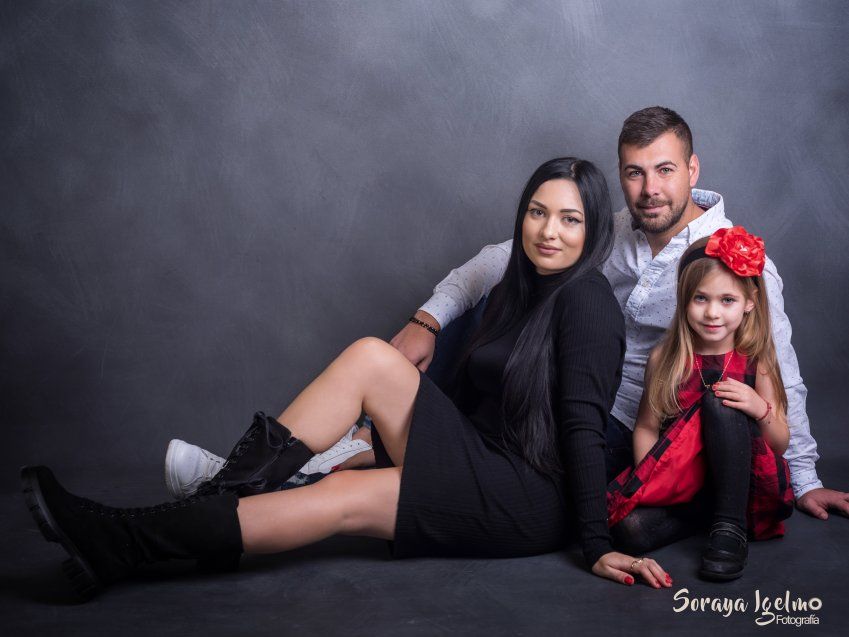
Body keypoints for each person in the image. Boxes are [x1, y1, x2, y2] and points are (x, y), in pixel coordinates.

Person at [22, 157, 673, 601]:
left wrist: (594, 544)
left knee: (343, 482)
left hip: (527, 497)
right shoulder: (518, 288)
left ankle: (140, 531)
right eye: (537, 212)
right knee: (342, 467)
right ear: (521, 217)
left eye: (568, 219)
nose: (548, 231)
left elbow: (584, 430)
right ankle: (123, 541)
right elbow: (478, 402)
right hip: (478, 457)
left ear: (590, 230)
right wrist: (382, 440)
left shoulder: (586, 301)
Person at [390, 106, 849, 520]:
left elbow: (780, 370)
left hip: (628, 421)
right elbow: (500, 257)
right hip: (556, 383)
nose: (650, 190)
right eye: (635, 172)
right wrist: (425, 320)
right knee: (496, 300)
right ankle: (379, 433)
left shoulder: (733, 260)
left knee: (517, 460)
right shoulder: (608, 230)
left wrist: (805, 480)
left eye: (665, 170)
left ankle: (396, 460)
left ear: (693, 169)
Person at [607, 228, 793, 581]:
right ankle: (710, 511)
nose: (712, 313)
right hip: (687, 485)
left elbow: (779, 442)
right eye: (700, 298)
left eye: (727, 300)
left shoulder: (756, 359)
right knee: (627, 530)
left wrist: (758, 407)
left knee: (720, 402)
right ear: (683, 299)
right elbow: (647, 426)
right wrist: (653, 479)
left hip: (745, 479)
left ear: (749, 302)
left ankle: (730, 524)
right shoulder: (667, 357)